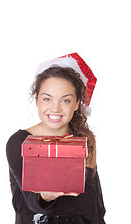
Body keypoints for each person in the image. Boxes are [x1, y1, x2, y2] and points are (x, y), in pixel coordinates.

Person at [6, 53, 106, 224]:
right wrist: (44, 197)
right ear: (37, 99)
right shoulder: (20, 142)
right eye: (47, 99)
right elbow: (26, 203)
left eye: (65, 101)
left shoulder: (84, 140)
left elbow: (93, 203)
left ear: (76, 104)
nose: (55, 108)